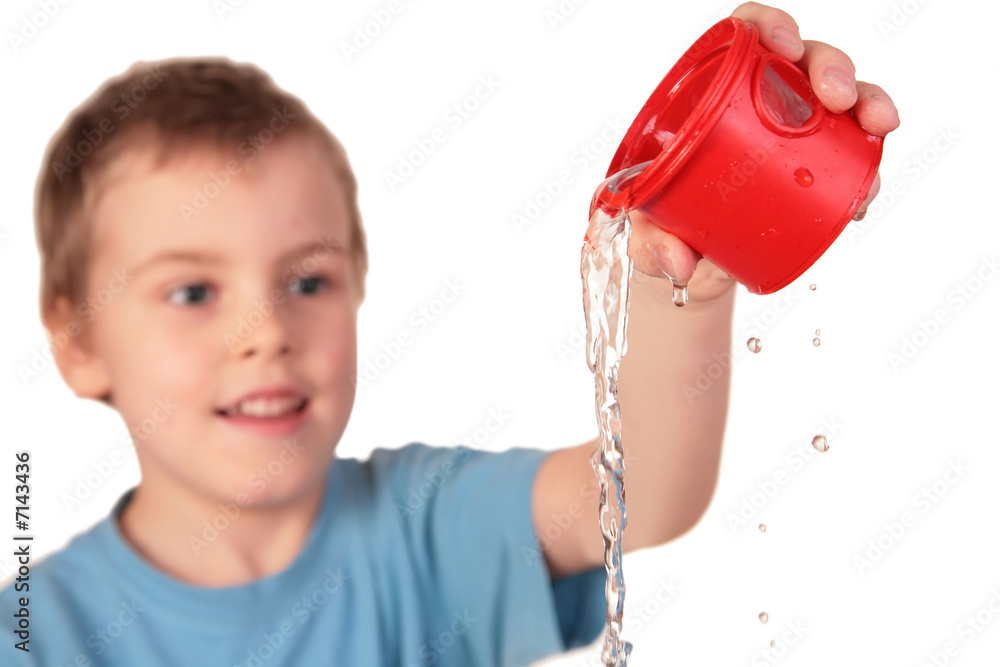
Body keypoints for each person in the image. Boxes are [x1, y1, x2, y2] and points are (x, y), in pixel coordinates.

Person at [1, 3, 898, 665]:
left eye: (307, 280)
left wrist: (685, 275)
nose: (263, 331)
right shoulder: (38, 634)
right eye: (191, 290)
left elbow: (643, 494)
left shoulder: (417, 529)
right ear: (78, 342)